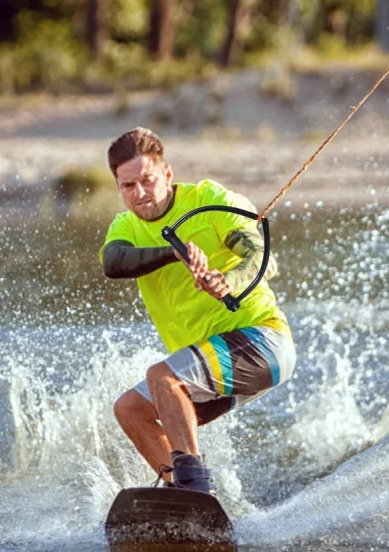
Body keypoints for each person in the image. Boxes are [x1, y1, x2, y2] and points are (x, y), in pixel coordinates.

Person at [99, 127, 295, 494]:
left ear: (167, 174)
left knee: (163, 377)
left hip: (263, 340)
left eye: (147, 180)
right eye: (128, 186)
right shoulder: (125, 227)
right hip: (216, 363)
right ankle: (184, 494)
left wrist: (229, 281)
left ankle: (194, 485)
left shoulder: (210, 200)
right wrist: (172, 252)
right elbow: (114, 263)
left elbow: (262, 257)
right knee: (130, 409)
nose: (139, 193)